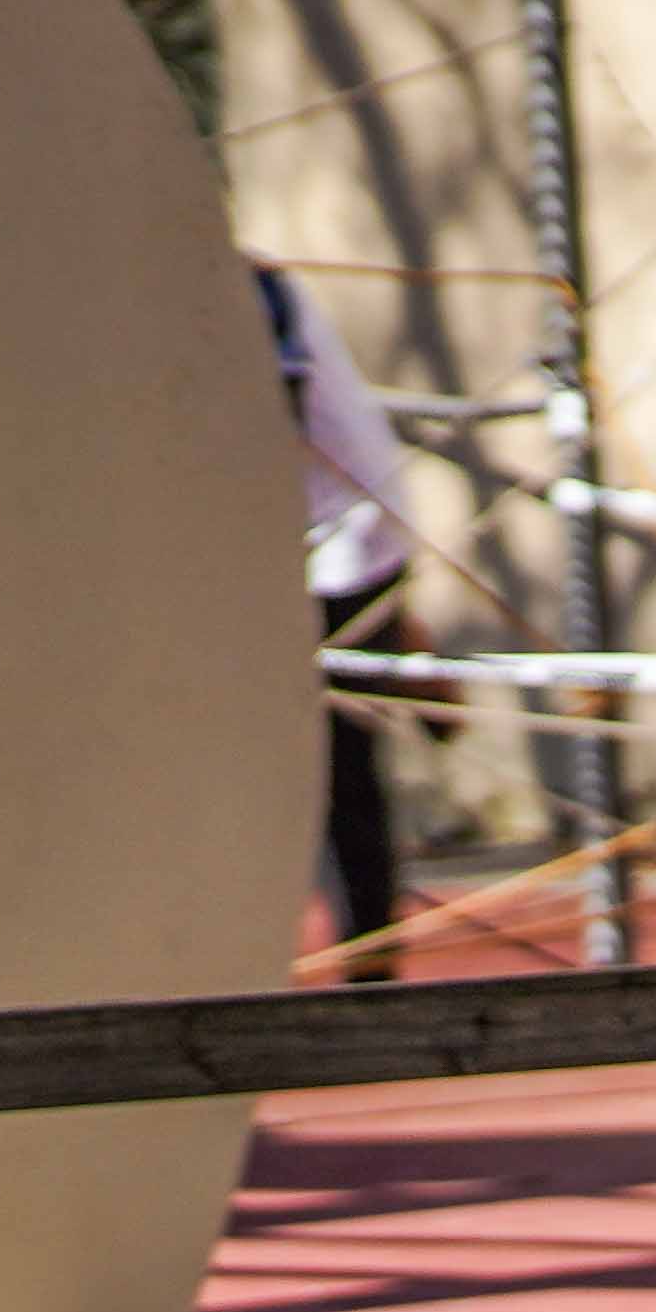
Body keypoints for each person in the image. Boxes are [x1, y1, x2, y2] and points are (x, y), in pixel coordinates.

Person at [260, 264, 414, 979]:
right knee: (326, 773)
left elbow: (271, 416)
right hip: (315, 548)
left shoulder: (251, 286)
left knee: (337, 772)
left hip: (339, 551)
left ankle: (367, 971)